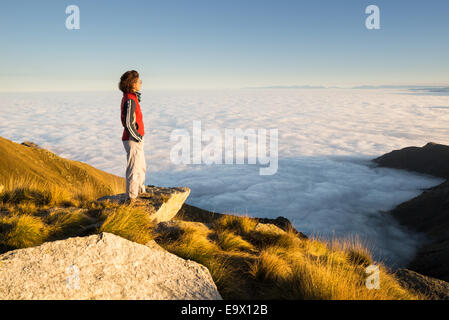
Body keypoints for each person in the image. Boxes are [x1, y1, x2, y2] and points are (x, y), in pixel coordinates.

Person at [119, 70, 147, 204]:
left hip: (135, 138)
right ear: (132, 84)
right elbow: (128, 123)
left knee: (141, 166)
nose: (140, 82)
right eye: (138, 81)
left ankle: (141, 191)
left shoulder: (132, 97)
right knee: (134, 169)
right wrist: (137, 137)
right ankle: (131, 197)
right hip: (132, 139)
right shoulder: (130, 100)